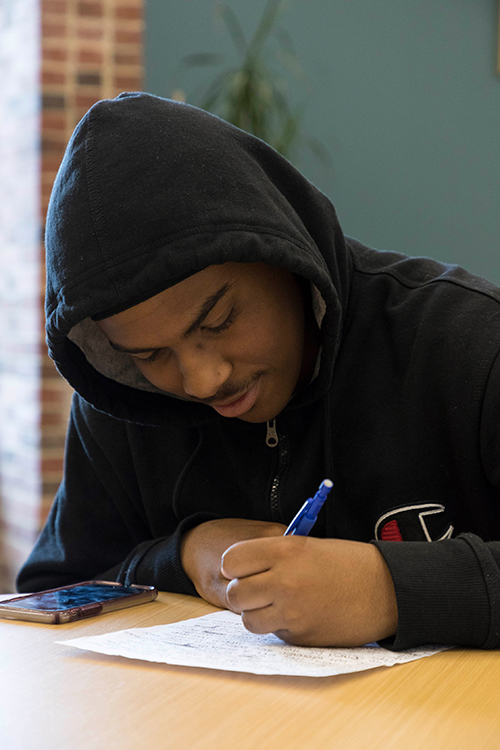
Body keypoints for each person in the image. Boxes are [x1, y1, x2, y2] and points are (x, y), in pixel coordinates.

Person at [17, 92, 500, 650]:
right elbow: (54, 590)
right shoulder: (123, 395)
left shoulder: (467, 343)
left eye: (219, 321)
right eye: (151, 356)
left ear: (283, 254)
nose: (201, 381)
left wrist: (392, 591)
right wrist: (186, 555)